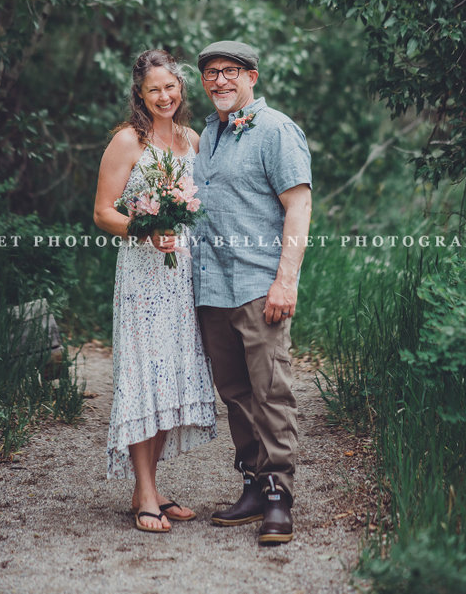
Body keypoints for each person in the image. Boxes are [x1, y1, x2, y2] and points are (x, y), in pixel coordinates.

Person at [192, 40, 312, 546]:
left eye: (231, 72)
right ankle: (253, 486)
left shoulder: (277, 130)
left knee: (270, 391)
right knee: (236, 393)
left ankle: (279, 496)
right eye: (211, 73)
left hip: (260, 286)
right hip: (212, 286)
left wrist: (285, 280)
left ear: (252, 77)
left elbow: (299, 206)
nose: (220, 81)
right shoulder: (208, 133)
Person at [93, 49, 216, 533]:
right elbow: (104, 212)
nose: (164, 96)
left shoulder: (193, 139)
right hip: (144, 274)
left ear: (180, 89)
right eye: (153, 90)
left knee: (172, 376)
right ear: (140, 96)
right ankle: (144, 492)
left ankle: (151, 485)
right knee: (145, 374)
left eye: (170, 87)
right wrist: (145, 230)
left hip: (184, 273)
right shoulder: (127, 141)